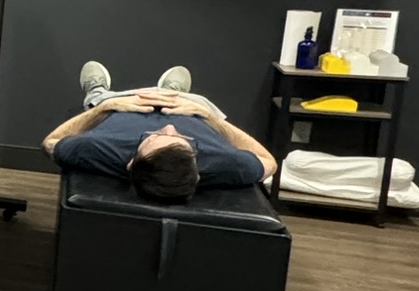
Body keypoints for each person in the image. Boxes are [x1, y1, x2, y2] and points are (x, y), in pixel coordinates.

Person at [43, 61, 274, 200]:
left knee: (99, 99)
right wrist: (211, 119)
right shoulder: (226, 164)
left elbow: (52, 141)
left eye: (153, 138)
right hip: (186, 104)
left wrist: (103, 109)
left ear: (132, 163)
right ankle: (170, 91)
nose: (169, 126)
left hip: (125, 103)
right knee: (201, 102)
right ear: (197, 169)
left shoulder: (96, 150)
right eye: (184, 140)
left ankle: (97, 90)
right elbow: (269, 162)